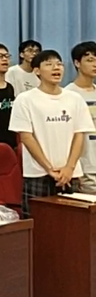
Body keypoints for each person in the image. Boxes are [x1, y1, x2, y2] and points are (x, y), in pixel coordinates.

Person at [10, 50, 93, 217]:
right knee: (38, 223)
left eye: (59, 64)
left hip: (70, 174)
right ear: (37, 71)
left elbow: (79, 135)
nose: (56, 68)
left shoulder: (75, 98)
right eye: (49, 64)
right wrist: (48, 168)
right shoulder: (25, 99)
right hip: (38, 174)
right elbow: (26, 137)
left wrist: (69, 167)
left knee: (73, 223)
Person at [67, 41, 96, 194]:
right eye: (90, 60)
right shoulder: (68, 94)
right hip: (85, 165)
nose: (95, 64)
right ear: (77, 63)